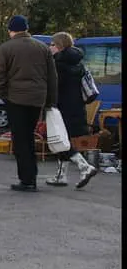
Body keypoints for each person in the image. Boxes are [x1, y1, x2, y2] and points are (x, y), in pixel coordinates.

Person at [0, 15, 57, 192]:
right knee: (29, 136)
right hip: (37, 100)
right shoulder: (43, 48)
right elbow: (52, 77)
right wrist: (49, 101)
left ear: (11, 30)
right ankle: (31, 176)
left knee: (20, 140)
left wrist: (5, 95)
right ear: (26, 29)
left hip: (16, 99)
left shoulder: (6, 48)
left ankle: (27, 179)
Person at [44, 32, 98, 188]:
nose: (50, 47)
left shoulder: (57, 65)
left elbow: (53, 87)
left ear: (60, 46)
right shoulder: (79, 64)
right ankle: (61, 176)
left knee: (61, 141)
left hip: (61, 108)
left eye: (52, 44)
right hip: (77, 107)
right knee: (63, 140)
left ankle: (85, 167)